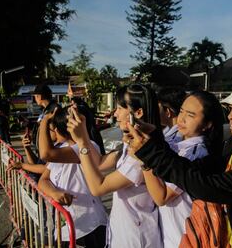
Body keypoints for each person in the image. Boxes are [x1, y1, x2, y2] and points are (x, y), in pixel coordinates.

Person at [126, 78, 232, 248]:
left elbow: (207, 186)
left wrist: (151, 153)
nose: (230, 116)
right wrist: (154, 142)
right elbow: (196, 171)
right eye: (230, 109)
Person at [67, 84, 162, 248]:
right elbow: (99, 162)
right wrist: (82, 132)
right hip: (124, 231)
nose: (115, 114)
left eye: (119, 108)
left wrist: (82, 142)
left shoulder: (141, 156)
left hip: (135, 238)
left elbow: (98, 187)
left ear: (138, 113)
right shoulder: (131, 145)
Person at [144, 90, 223, 247]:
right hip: (172, 236)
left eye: (191, 115)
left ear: (207, 124)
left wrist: (145, 159)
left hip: (183, 236)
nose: (182, 118)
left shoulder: (196, 152)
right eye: (181, 111)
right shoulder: (177, 140)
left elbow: (162, 197)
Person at [38, 107, 107, 247]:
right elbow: (43, 180)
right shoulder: (62, 147)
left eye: (54, 128)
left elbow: (45, 153)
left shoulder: (87, 147)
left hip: (89, 225)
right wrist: (54, 192)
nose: (54, 131)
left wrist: (44, 121)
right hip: (67, 225)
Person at [31, 83, 60, 152]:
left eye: (35, 97)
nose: (35, 99)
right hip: (44, 148)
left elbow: (55, 134)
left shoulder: (54, 110)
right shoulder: (46, 109)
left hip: (50, 149)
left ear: (39, 97)